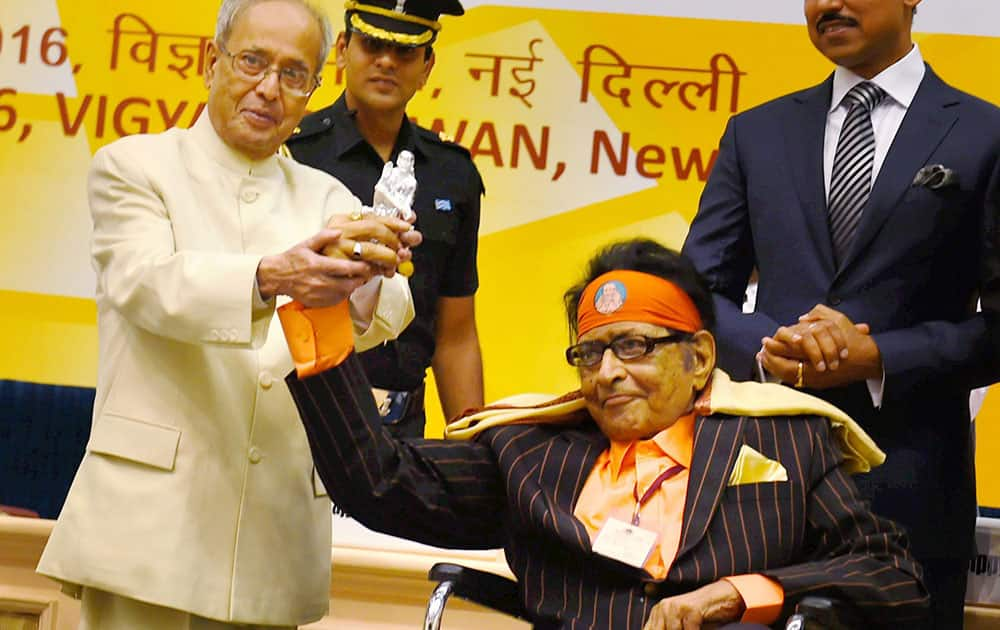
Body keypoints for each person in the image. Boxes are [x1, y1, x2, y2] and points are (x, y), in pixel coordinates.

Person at [282, 238, 929, 629]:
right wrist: (319, 325)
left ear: (699, 357)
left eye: (635, 346)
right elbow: (380, 480)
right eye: (590, 354)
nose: (609, 373)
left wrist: (742, 594)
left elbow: (892, 575)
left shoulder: (786, 444)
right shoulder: (530, 456)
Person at [36, 0, 420, 627]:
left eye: (294, 74)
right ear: (212, 63)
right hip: (151, 524)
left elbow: (386, 309)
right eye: (253, 62)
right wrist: (273, 276)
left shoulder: (325, 195)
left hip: (274, 536)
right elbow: (149, 283)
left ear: (312, 90)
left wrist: (367, 275)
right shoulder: (135, 166)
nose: (269, 88)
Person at [681, 0, 1000, 626]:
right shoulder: (757, 131)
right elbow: (694, 296)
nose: (828, 3)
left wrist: (879, 358)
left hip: (910, 484)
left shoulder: (984, 136)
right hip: (757, 477)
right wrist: (776, 347)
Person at [286, 0, 484, 437]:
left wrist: (473, 450)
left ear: (428, 65)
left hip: (402, 429)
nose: (386, 62)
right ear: (342, 48)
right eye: (372, 44)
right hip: (300, 417)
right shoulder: (291, 154)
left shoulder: (453, 173)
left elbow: (456, 334)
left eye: (406, 52)